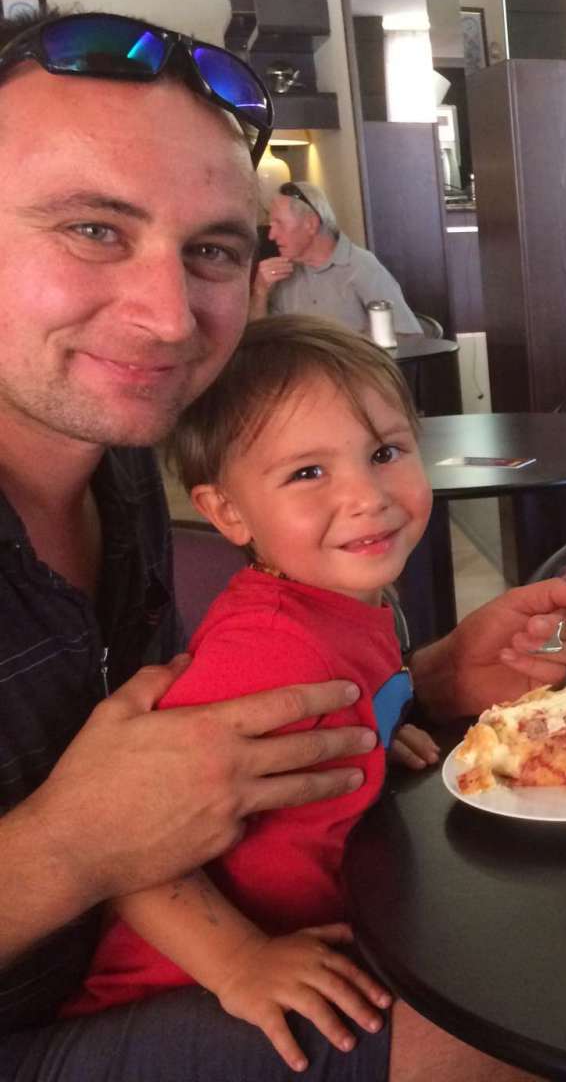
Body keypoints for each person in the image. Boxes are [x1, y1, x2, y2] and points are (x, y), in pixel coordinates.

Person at [0, 9, 566, 1080]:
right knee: (523, 1024)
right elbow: (131, 823)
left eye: (212, 250)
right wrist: (69, 846)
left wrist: (414, 686)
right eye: (93, 229)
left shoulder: (121, 467)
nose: (170, 316)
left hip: (172, 943)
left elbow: (191, 755)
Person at [59, 315, 446, 1067]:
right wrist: (238, 961)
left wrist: (369, 733)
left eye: (385, 452)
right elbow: (124, 849)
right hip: (186, 985)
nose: (367, 496)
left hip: (322, 933)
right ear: (228, 512)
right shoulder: (267, 647)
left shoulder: (344, 598)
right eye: (308, 473)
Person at [252, 181, 423, 336]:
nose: (271, 235)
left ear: (311, 224)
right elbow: (258, 341)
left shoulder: (361, 266)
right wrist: (260, 291)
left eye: (279, 224)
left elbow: (407, 336)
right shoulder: (284, 273)